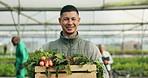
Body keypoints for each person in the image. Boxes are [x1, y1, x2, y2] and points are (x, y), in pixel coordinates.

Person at [44, 5, 109, 78]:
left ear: (78, 20)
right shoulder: (49, 47)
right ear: (60, 21)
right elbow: (40, 72)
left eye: (73, 19)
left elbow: (103, 73)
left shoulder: (90, 47)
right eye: (66, 19)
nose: (70, 23)